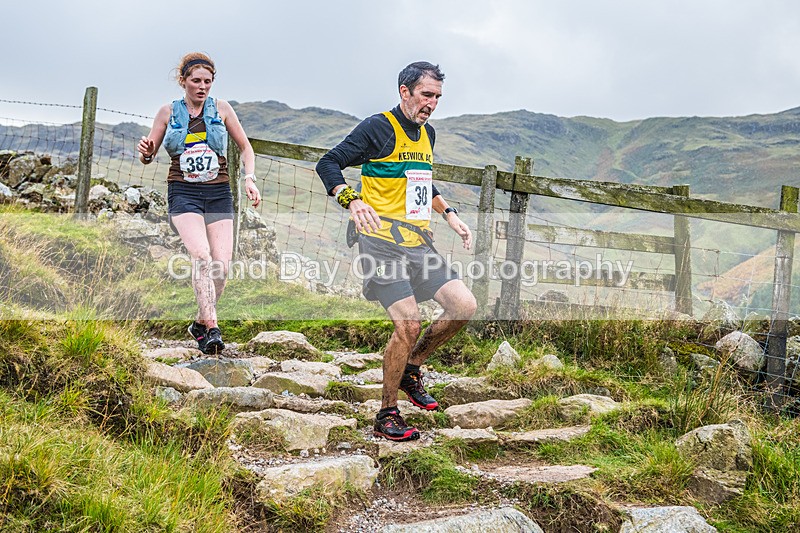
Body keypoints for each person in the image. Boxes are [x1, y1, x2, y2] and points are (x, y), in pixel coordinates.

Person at [316, 61, 477, 442]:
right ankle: (387, 412)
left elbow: (421, 181)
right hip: (379, 241)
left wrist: (450, 214)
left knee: (464, 306)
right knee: (408, 324)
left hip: (418, 241)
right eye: (426, 95)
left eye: (437, 97)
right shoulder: (378, 127)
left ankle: (411, 366)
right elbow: (328, 163)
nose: (432, 104)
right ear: (404, 91)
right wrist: (352, 201)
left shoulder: (427, 133)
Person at [137, 52, 261, 355]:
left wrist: (249, 178)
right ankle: (213, 328)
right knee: (202, 257)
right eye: (196, 81)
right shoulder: (168, 112)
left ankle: (199, 324)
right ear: (183, 81)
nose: (202, 86)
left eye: (207, 81)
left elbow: (245, 148)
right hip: (183, 192)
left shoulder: (222, 109)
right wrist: (145, 151)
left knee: (222, 266)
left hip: (218, 192)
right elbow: (148, 154)